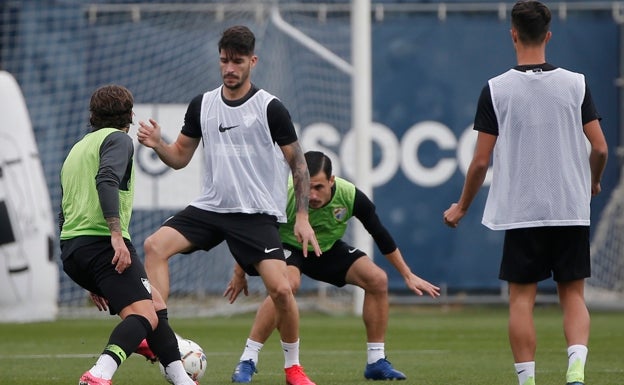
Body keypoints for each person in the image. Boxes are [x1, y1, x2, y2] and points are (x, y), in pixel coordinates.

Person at [136, 25, 321, 385]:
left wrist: (301, 216)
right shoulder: (202, 105)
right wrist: (159, 143)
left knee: (282, 290)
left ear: (252, 61)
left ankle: (293, 367)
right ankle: (160, 335)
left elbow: (298, 163)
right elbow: (179, 158)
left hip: (254, 214)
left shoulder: (270, 108)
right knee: (154, 246)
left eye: (237, 61)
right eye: (224, 61)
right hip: (211, 208)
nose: (229, 68)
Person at [442, 2, 608, 385]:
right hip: (570, 207)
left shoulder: (496, 90)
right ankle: (576, 370)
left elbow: (480, 162)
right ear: (548, 35)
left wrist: (462, 207)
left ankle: (527, 380)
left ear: (513, 33)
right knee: (573, 295)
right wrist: (592, 180)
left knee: (521, 300)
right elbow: (599, 148)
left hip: (523, 212)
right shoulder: (576, 83)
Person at [224, 150, 441, 382]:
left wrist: (407, 275)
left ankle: (376, 362)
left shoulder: (350, 196)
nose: (312, 195)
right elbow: (254, 231)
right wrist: (240, 272)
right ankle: (248, 359)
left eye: (318, 187)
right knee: (288, 285)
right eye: (307, 187)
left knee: (377, 279)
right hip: (287, 247)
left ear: (332, 181)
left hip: (324, 249)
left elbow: (380, 234)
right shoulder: (283, 194)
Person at [59, 85, 197, 385]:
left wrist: (90, 273)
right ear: (130, 115)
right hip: (103, 243)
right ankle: (99, 374)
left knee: (156, 306)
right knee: (145, 316)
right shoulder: (119, 139)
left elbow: (64, 209)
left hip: (73, 249)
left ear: (92, 115)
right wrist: (116, 236)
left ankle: (181, 378)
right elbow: (107, 179)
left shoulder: (78, 149)